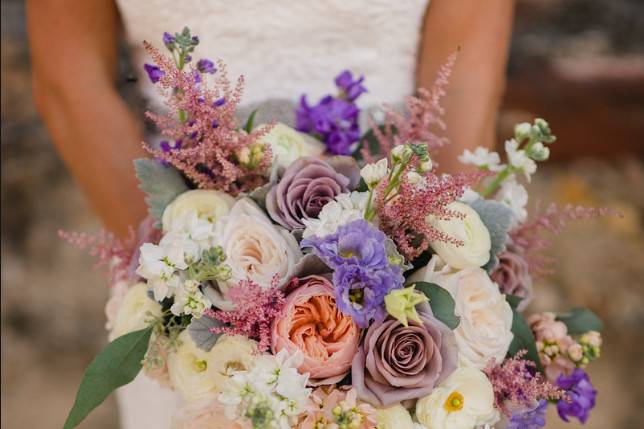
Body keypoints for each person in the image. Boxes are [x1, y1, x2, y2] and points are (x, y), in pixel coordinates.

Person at [27, 1, 515, 427]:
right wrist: (183, 278)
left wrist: (435, 266)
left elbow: (463, 81)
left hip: (396, 258)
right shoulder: (185, 279)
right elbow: (71, 83)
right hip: (192, 260)